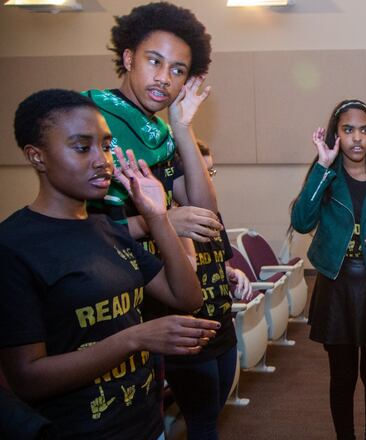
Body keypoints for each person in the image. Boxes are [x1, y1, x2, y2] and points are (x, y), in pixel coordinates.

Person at [0, 89, 219, 440]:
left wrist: (158, 217)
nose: (103, 160)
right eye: (82, 147)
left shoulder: (107, 229)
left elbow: (187, 296)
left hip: (144, 424)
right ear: (36, 156)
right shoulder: (13, 246)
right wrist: (135, 338)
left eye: (105, 145)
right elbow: (27, 379)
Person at [290, 99, 366, 440]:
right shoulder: (326, 175)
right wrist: (322, 168)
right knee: (342, 377)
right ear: (336, 135)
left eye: (364, 130)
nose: (357, 138)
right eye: (348, 130)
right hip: (337, 285)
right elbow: (301, 222)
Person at [83, 1, 222, 247]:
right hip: (96, 273)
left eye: (178, 71)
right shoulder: (88, 113)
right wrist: (158, 222)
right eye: (155, 61)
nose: (164, 79)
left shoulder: (163, 137)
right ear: (128, 58)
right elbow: (71, 224)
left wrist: (182, 128)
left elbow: (204, 212)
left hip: (153, 277)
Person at [163, 140, 252, 440]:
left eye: (210, 171)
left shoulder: (213, 214)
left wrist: (232, 273)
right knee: (202, 423)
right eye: (200, 171)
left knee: (211, 415)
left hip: (222, 329)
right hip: (190, 337)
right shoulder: (164, 225)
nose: (207, 180)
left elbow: (216, 263)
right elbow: (185, 278)